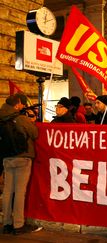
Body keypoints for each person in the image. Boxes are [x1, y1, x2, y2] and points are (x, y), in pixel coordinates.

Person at [0, 94, 40, 234]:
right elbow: (35, 134)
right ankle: (18, 225)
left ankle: (6, 224)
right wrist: (32, 121)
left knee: (7, 191)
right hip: (22, 158)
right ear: (17, 104)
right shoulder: (21, 119)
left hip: (6, 157)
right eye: (22, 104)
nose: (23, 106)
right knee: (19, 192)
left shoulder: (1, 118)